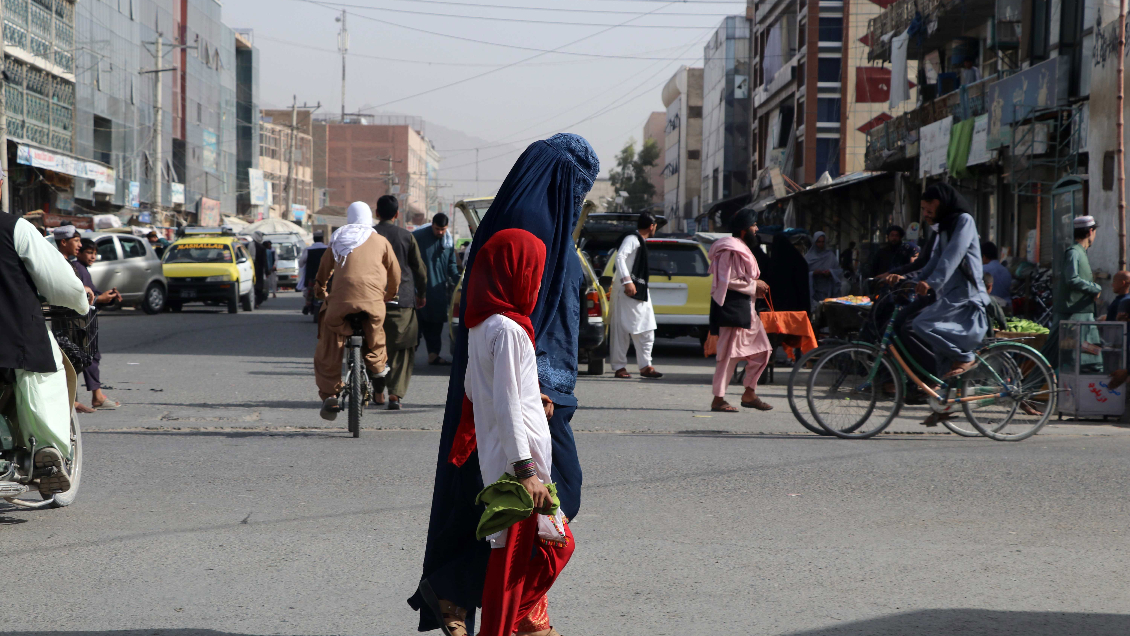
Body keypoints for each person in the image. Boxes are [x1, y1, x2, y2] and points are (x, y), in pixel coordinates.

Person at [408, 133, 598, 636]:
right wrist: (540, 387)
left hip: (526, 386)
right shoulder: (531, 228)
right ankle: (483, 595)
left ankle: (508, 605)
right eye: (578, 185)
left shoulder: (528, 218)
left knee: (501, 499)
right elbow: (523, 317)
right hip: (530, 389)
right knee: (551, 497)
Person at [459, 228, 573, 636]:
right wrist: (526, 472)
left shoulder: (481, 325)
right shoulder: (507, 330)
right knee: (537, 554)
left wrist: (530, 392)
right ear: (514, 272)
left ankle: (526, 623)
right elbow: (506, 404)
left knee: (518, 554)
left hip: (499, 455)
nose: (538, 281)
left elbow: (475, 390)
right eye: (534, 271)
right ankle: (511, 624)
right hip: (517, 464)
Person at [3, 200, 91, 496]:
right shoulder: (16, 228)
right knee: (45, 379)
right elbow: (59, 281)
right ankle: (47, 451)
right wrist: (81, 302)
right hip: (12, 334)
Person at [313, 202, 400, 420]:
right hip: (373, 302)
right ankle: (377, 364)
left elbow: (324, 271)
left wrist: (320, 290)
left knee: (330, 340)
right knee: (376, 331)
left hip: (340, 304)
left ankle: (330, 394)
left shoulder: (338, 238)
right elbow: (395, 272)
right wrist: (390, 293)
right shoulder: (380, 241)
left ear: (349, 217)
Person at [909, 183, 992, 379]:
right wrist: (912, 281)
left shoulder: (964, 221)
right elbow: (935, 259)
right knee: (940, 349)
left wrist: (932, 282)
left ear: (938, 203)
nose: (925, 214)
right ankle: (943, 403)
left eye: (927, 208)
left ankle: (964, 357)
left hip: (965, 294)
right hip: (949, 293)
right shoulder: (944, 227)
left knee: (921, 324)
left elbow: (954, 254)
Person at [709, 210, 774, 413]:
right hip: (732, 309)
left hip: (747, 308)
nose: (757, 229)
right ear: (744, 230)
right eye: (754, 225)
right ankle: (718, 399)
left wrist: (755, 287)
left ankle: (749, 393)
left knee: (763, 351)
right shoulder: (730, 249)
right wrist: (755, 286)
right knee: (728, 356)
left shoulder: (741, 247)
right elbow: (726, 281)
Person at [373, 195, 428, 410]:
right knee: (403, 348)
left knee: (373, 345)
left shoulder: (368, 235)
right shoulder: (406, 236)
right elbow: (419, 269)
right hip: (402, 299)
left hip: (372, 299)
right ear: (397, 214)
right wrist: (421, 294)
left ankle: (377, 391)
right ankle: (395, 394)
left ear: (377, 213)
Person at [1043, 216, 1103, 369]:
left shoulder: (1080, 253)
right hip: (1071, 316)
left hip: (1083, 316)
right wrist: (1095, 288)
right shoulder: (1074, 253)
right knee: (1050, 359)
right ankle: (1027, 388)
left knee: (1091, 361)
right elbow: (1072, 279)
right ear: (1091, 231)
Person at [71, 237, 122, 412]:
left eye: (95, 253)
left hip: (86, 319)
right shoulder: (77, 268)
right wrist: (101, 298)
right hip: (79, 320)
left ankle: (90, 396)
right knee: (89, 357)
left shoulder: (83, 268)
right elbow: (80, 294)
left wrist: (107, 296)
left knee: (86, 357)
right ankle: (96, 397)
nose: (93, 257)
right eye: (89, 252)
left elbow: (92, 291)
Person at [610, 212, 663, 379]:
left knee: (647, 329)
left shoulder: (640, 240)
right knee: (622, 330)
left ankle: (645, 365)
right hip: (628, 290)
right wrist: (627, 282)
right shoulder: (632, 239)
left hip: (639, 291)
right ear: (651, 226)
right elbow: (620, 257)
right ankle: (619, 367)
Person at [415, 213, 461, 365]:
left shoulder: (448, 242)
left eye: (443, 229)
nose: (440, 232)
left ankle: (433, 355)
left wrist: (461, 282)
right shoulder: (417, 237)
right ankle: (407, 359)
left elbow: (451, 266)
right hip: (417, 291)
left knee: (435, 327)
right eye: (437, 229)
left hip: (438, 292)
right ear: (431, 225)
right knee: (415, 329)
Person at [805, 231, 842, 307]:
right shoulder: (808, 258)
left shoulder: (830, 255)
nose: (821, 244)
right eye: (818, 242)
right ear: (814, 242)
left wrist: (831, 272)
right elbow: (802, 274)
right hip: (814, 291)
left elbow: (839, 271)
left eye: (822, 242)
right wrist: (813, 273)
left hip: (828, 290)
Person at [299, 231, 328, 315]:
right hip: (326, 278)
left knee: (308, 293)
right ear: (322, 239)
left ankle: (308, 306)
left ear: (314, 240)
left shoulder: (308, 250)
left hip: (311, 278)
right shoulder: (328, 249)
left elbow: (301, 263)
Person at [981, 241, 1012, 307]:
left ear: (984, 256)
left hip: (990, 308)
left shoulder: (982, 270)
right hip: (1006, 307)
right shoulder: (1006, 271)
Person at [252, 231, 268, 307]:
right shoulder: (262, 248)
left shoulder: (250, 245)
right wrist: (267, 271)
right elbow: (265, 261)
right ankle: (257, 302)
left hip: (251, 269)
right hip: (259, 270)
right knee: (259, 287)